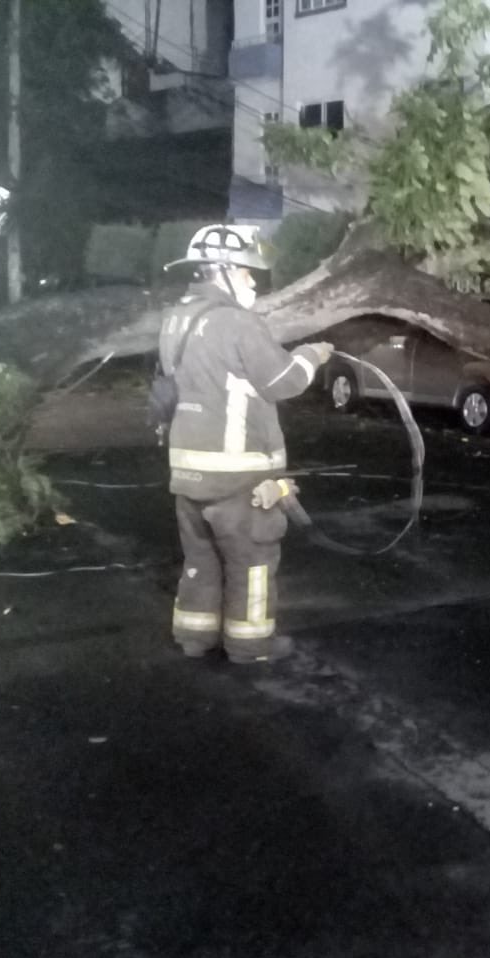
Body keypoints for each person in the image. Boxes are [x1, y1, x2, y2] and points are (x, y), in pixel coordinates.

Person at [158, 225, 333, 662]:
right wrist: (312, 355)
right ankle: (250, 646)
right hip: (238, 476)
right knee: (251, 564)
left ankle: (194, 638)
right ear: (220, 270)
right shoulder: (236, 321)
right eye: (245, 271)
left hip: (188, 474)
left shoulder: (176, 319)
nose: (252, 280)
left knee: (200, 561)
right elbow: (284, 382)